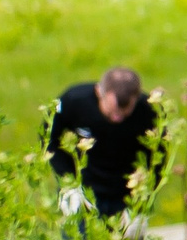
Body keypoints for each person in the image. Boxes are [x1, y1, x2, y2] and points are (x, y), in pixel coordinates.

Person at [46, 66, 165, 221]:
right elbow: (49, 139)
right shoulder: (73, 101)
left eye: (124, 114)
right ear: (99, 92)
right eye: (112, 112)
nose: (116, 119)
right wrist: (68, 184)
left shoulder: (149, 111)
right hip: (82, 189)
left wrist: (143, 202)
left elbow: (159, 157)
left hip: (126, 194)